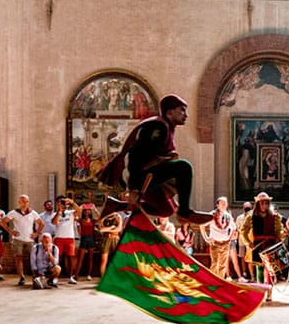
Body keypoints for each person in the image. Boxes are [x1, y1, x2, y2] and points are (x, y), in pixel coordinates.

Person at [97, 93, 212, 224]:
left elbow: (161, 162)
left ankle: (117, 205)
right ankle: (185, 211)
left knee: (166, 210)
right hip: (137, 177)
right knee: (184, 166)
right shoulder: (158, 126)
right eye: (182, 110)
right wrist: (133, 188)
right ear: (170, 112)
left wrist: (172, 200)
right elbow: (136, 154)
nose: (186, 115)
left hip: (147, 177)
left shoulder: (166, 127)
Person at [239, 192, 285, 300]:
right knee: (259, 268)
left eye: (266, 203)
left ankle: (269, 292)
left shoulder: (275, 216)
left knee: (270, 270)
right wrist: (248, 242)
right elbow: (243, 231)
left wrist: (282, 236)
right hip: (257, 245)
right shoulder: (251, 217)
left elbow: (279, 231)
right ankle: (260, 292)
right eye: (262, 203)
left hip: (270, 245)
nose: (264, 205)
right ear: (258, 204)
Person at [3, 194, 44, 286]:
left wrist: (36, 233)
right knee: (18, 258)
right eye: (23, 201)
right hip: (18, 239)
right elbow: (3, 221)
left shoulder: (32, 213)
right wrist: (10, 231)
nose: (25, 203)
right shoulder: (14, 212)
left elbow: (41, 223)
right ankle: (21, 277)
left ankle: (35, 275)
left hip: (30, 239)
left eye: (26, 201)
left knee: (33, 258)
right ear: (19, 202)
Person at [52, 196, 81, 284]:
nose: (61, 204)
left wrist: (72, 202)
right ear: (57, 204)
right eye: (59, 202)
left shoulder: (70, 212)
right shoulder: (55, 214)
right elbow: (54, 222)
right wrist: (59, 211)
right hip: (59, 237)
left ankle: (70, 277)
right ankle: (55, 277)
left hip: (69, 237)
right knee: (58, 258)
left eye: (63, 202)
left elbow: (79, 210)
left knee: (70, 258)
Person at [201, 197, 233, 277]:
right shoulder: (212, 215)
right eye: (222, 203)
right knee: (215, 264)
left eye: (225, 203)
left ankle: (220, 281)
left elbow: (233, 228)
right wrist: (206, 238)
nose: (224, 205)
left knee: (222, 265)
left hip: (225, 243)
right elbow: (202, 225)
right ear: (217, 205)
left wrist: (230, 238)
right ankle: (212, 281)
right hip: (215, 243)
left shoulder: (228, 216)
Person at [98, 212, 124, 277]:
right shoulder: (105, 217)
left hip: (115, 238)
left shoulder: (118, 216)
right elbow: (100, 229)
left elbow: (119, 229)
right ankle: (103, 277)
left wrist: (107, 229)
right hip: (106, 239)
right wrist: (111, 227)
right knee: (104, 260)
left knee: (116, 259)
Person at [75, 208, 98, 281]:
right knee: (80, 258)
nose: (87, 213)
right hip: (83, 238)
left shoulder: (93, 220)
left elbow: (100, 217)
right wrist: (80, 208)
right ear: (83, 212)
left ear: (90, 212)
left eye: (88, 211)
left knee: (90, 258)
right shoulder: (81, 220)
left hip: (91, 238)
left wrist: (95, 210)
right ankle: (76, 274)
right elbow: (74, 217)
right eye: (85, 211)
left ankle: (89, 274)